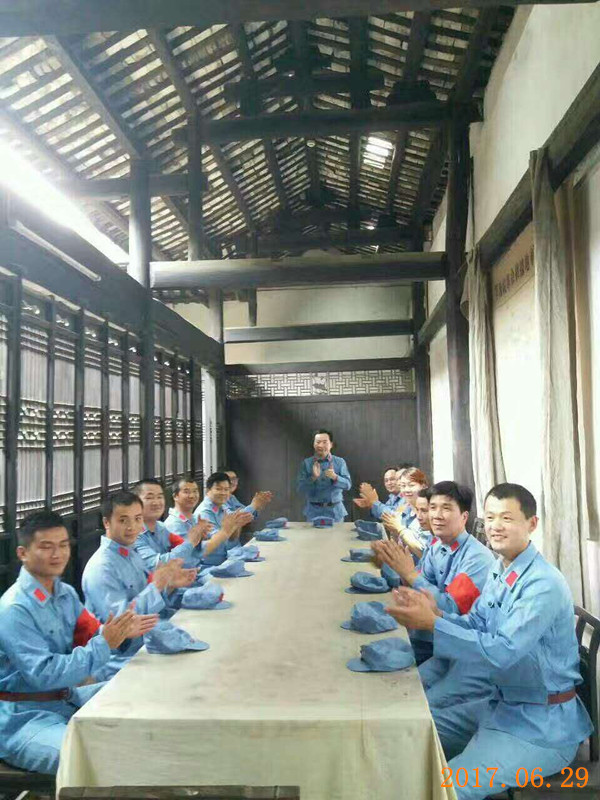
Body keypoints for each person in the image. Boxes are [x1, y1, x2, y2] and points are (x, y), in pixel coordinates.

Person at [385, 483, 593, 800]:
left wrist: (433, 624)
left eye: (507, 518)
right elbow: (476, 623)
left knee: (449, 787)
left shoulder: (543, 584)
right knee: (410, 729)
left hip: (541, 727)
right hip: (500, 705)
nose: (495, 526)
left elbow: (502, 651)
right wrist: (437, 613)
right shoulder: (501, 569)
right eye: (491, 517)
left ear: (532, 524)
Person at [0, 510, 157, 775]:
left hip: (67, 697)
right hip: (24, 716)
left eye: (63, 545)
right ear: (23, 553)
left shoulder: (65, 593)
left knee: (148, 689)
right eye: (46, 547)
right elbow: (43, 674)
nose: (57, 554)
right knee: (96, 758)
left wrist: (119, 634)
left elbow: (90, 635)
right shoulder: (15, 609)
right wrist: (105, 643)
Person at [373, 481, 494, 665]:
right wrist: (393, 564)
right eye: (433, 507)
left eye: (446, 508)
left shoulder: (477, 559)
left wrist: (410, 574)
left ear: (464, 516)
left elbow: (450, 608)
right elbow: (417, 588)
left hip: (449, 647)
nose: (436, 515)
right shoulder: (437, 544)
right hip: (423, 635)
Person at [82, 491, 197, 672]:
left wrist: (169, 585)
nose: (132, 527)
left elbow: (147, 597)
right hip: (122, 660)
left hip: (148, 641)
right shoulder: (102, 568)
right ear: (106, 522)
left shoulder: (130, 552)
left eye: (137, 519)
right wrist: (157, 586)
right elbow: (123, 625)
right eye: (123, 520)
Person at [133, 478, 213, 571]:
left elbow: (187, 554)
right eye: (149, 498)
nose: (156, 502)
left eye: (159, 497)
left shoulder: (161, 527)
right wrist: (191, 542)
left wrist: (198, 539)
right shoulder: (133, 534)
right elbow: (158, 565)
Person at [194, 472, 255, 565]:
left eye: (226, 489)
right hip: (212, 565)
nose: (223, 493)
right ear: (208, 490)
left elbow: (232, 539)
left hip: (229, 557)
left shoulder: (222, 506)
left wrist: (238, 525)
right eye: (218, 489)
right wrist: (232, 526)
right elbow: (220, 542)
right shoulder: (204, 513)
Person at [296, 429, 352, 522]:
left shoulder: (340, 462)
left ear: (331, 444)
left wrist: (335, 477)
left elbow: (348, 485)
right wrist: (313, 478)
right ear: (314, 444)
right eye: (318, 442)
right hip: (313, 512)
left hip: (335, 512)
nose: (320, 445)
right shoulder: (307, 463)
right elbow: (300, 488)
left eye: (324, 442)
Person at [383, 487, 434, 561]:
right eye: (417, 510)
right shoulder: (414, 520)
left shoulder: (441, 536)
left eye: (424, 511)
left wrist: (400, 529)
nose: (419, 516)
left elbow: (424, 554)